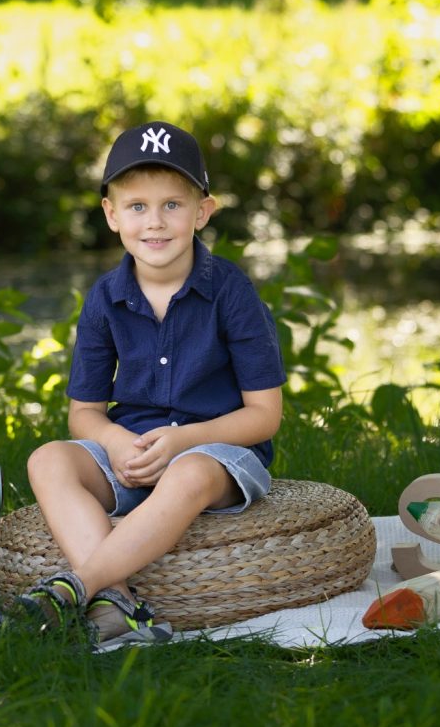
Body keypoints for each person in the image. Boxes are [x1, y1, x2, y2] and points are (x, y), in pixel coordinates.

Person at [20, 120, 286, 649]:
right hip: (135, 449)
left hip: (218, 455)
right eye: (137, 206)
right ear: (112, 215)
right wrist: (119, 444)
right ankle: (118, 603)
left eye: (172, 204)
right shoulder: (104, 297)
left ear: (202, 212)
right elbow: (85, 414)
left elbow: (264, 414)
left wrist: (182, 440)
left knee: (184, 474)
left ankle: (78, 586)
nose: (155, 222)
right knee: (47, 459)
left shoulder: (231, 291)